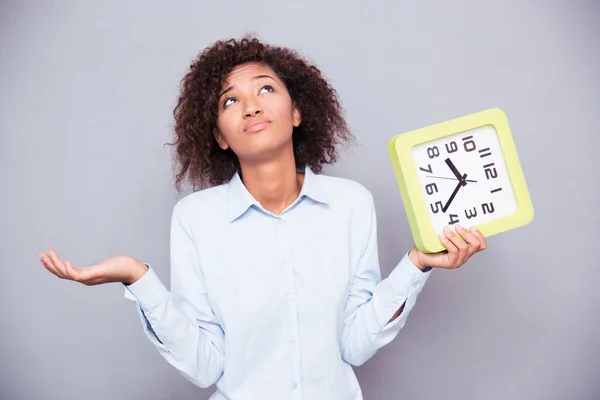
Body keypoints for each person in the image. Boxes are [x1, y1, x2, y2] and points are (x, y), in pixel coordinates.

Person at [39, 36, 488, 399]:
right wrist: (137, 279)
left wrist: (417, 263)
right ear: (217, 135)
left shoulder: (351, 204)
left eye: (266, 89)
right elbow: (204, 367)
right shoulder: (195, 219)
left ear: (296, 112)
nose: (251, 106)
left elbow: (355, 344)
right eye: (230, 101)